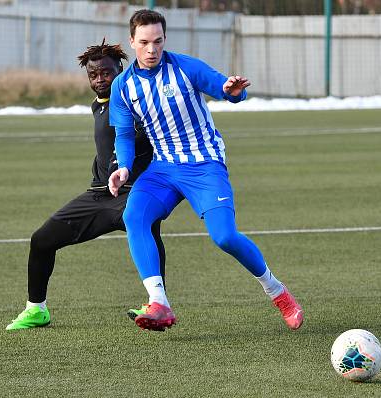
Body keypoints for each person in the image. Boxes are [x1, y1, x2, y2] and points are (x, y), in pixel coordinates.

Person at [108, 10, 303, 332]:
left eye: (157, 41)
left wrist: (233, 90)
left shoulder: (186, 68)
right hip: (164, 168)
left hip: (204, 165)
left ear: (164, 40)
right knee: (134, 217)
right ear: (132, 42)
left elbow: (224, 88)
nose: (151, 49)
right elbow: (124, 134)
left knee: (224, 237)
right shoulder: (123, 86)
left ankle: (277, 291)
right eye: (143, 42)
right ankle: (159, 302)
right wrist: (125, 168)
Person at [6, 40, 166, 331]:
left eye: (106, 73)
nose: (100, 79)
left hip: (137, 192)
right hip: (98, 195)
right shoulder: (98, 105)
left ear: (121, 69)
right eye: (94, 75)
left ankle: (159, 304)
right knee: (41, 240)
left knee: (147, 232)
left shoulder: (136, 99)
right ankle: (36, 309)